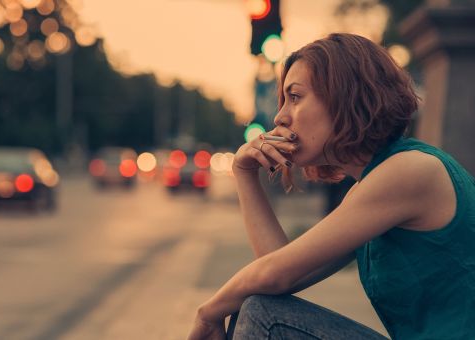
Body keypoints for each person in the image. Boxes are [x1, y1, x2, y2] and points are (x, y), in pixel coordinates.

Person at [187, 33, 475, 340]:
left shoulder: (409, 171)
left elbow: (274, 275)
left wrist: (208, 312)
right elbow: (279, 272)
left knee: (263, 315)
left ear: (345, 97)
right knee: (258, 304)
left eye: (294, 97)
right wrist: (244, 173)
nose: (280, 116)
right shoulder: (371, 187)